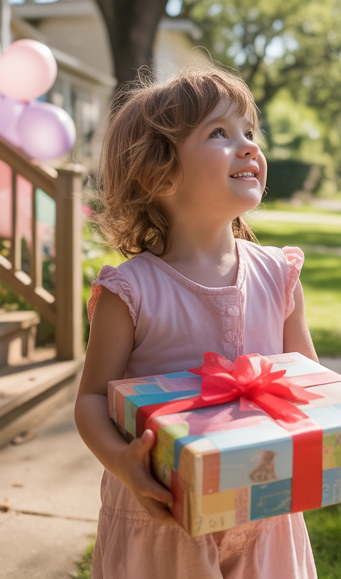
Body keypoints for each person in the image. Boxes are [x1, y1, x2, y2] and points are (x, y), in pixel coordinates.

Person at [74, 67, 320, 579]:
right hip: (164, 522)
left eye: (250, 132)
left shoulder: (278, 276)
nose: (248, 146)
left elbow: (310, 385)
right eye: (220, 134)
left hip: (264, 509)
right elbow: (92, 399)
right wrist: (122, 462)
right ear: (160, 173)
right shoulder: (132, 292)